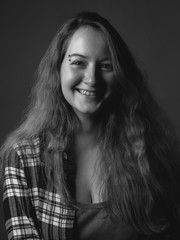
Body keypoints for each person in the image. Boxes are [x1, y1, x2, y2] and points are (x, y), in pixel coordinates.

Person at [1, 11, 180, 240]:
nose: (92, 78)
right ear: (58, 69)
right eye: (78, 63)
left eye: (106, 66)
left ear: (121, 75)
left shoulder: (154, 150)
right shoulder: (21, 157)